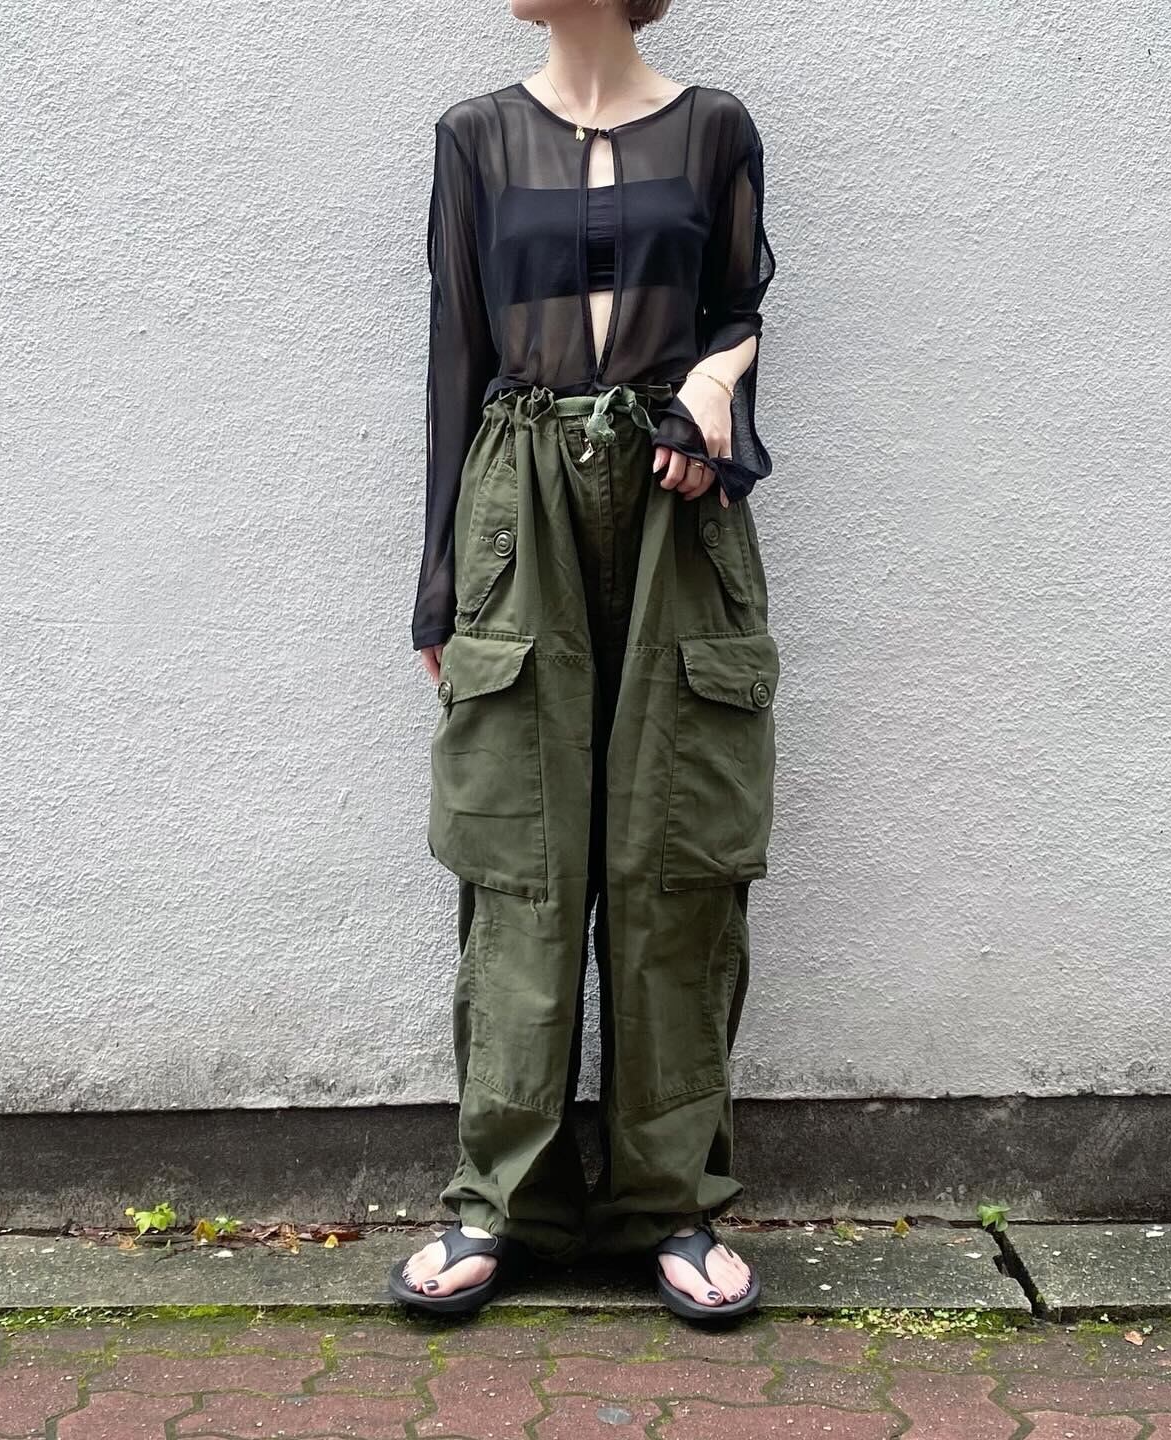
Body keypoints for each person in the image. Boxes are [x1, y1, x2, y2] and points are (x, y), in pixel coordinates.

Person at [390, 0, 779, 1322]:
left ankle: (673, 1203)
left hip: (679, 512)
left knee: (676, 853)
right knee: (522, 856)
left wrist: (715, 399)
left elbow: (739, 308)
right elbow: (456, 355)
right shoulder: (476, 137)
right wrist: (442, 586)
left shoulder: (715, 128)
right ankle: (500, 1200)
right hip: (523, 510)